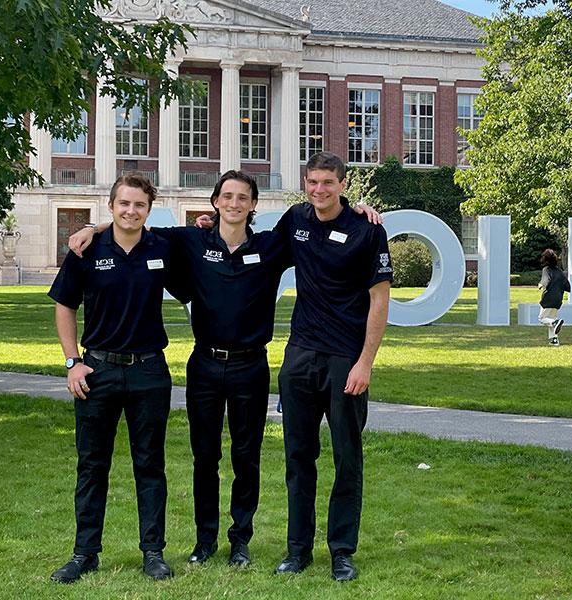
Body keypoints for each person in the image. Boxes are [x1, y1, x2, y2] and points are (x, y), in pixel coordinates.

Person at [67, 170, 381, 570]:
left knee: (246, 457)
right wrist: (95, 226)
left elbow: (322, 223)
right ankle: (205, 539)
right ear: (214, 202)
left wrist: (356, 211)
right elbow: (136, 225)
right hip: (204, 365)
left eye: (243, 197)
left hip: (251, 365)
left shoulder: (272, 244)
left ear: (253, 205)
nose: (234, 203)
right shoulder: (191, 241)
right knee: (205, 456)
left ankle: (240, 541)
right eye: (227, 196)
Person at [48, 173, 183, 583]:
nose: (131, 211)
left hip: (149, 371)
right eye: (124, 204)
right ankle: (84, 553)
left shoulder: (162, 247)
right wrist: (73, 362)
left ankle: (153, 552)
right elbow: (64, 305)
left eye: (139, 205)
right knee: (92, 465)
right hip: (98, 371)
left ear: (148, 209)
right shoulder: (87, 249)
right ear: (111, 206)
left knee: (150, 464)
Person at [272, 151, 392, 582]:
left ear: (344, 184)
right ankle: (297, 550)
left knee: (347, 457)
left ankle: (342, 551)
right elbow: (253, 246)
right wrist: (209, 226)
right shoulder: (296, 220)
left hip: (346, 359)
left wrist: (365, 363)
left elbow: (380, 300)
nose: (319, 190)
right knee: (298, 457)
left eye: (327, 183)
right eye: (312, 182)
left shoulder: (367, 229)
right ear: (305, 183)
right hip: (300, 356)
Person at [537, 248, 570, 345]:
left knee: (542, 319)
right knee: (551, 317)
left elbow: (545, 281)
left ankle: (555, 322)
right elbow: (567, 286)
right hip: (558, 299)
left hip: (548, 298)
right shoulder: (559, 271)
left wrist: (540, 284)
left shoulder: (546, 270)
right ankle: (554, 340)